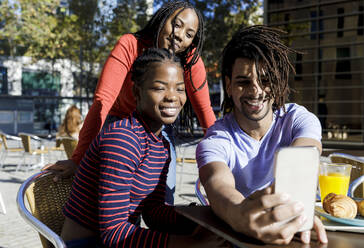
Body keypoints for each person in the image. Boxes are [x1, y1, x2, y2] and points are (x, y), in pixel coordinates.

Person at [44, 1, 216, 205]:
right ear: (162, 19)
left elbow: (205, 111)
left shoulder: (189, 61)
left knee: (162, 202)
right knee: (117, 200)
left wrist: (218, 165)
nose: (180, 35)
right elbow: (102, 101)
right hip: (119, 124)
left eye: (189, 34)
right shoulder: (131, 45)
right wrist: (78, 159)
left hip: (159, 130)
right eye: (176, 25)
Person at [61, 48, 228, 248]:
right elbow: (113, 233)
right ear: (136, 92)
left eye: (180, 88)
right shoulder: (123, 139)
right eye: (159, 88)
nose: (172, 97)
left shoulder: (161, 145)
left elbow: (153, 212)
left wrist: (203, 216)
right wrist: (191, 243)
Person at [196, 25, 328, 245]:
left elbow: (304, 160)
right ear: (228, 86)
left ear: (277, 83)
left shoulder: (298, 119)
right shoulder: (216, 137)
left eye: (266, 80)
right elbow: (217, 183)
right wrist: (240, 213)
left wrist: (294, 212)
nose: (256, 90)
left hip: (296, 227)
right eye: (244, 82)